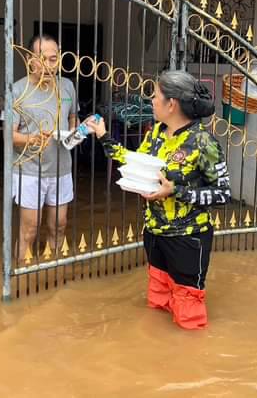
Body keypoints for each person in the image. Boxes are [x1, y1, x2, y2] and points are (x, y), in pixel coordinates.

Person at [87, 70, 230, 330]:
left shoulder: (203, 143)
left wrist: (176, 191)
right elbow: (134, 162)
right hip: (154, 233)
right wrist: (103, 135)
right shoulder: (155, 133)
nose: (151, 101)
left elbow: (222, 193)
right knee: (158, 304)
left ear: (171, 104)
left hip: (188, 238)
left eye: (154, 96)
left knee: (188, 317)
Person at [10, 35, 78, 264]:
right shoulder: (17, 90)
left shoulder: (67, 86)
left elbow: (73, 116)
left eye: (53, 59)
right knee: (29, 230)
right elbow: (8, 135)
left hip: (61, 168)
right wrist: (32, 139)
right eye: (42, 59)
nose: (48, 65)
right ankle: (22, 273)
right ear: (30, 60)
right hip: (29, 170)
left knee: (59, 226)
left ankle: (53, 271)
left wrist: (75, 132)